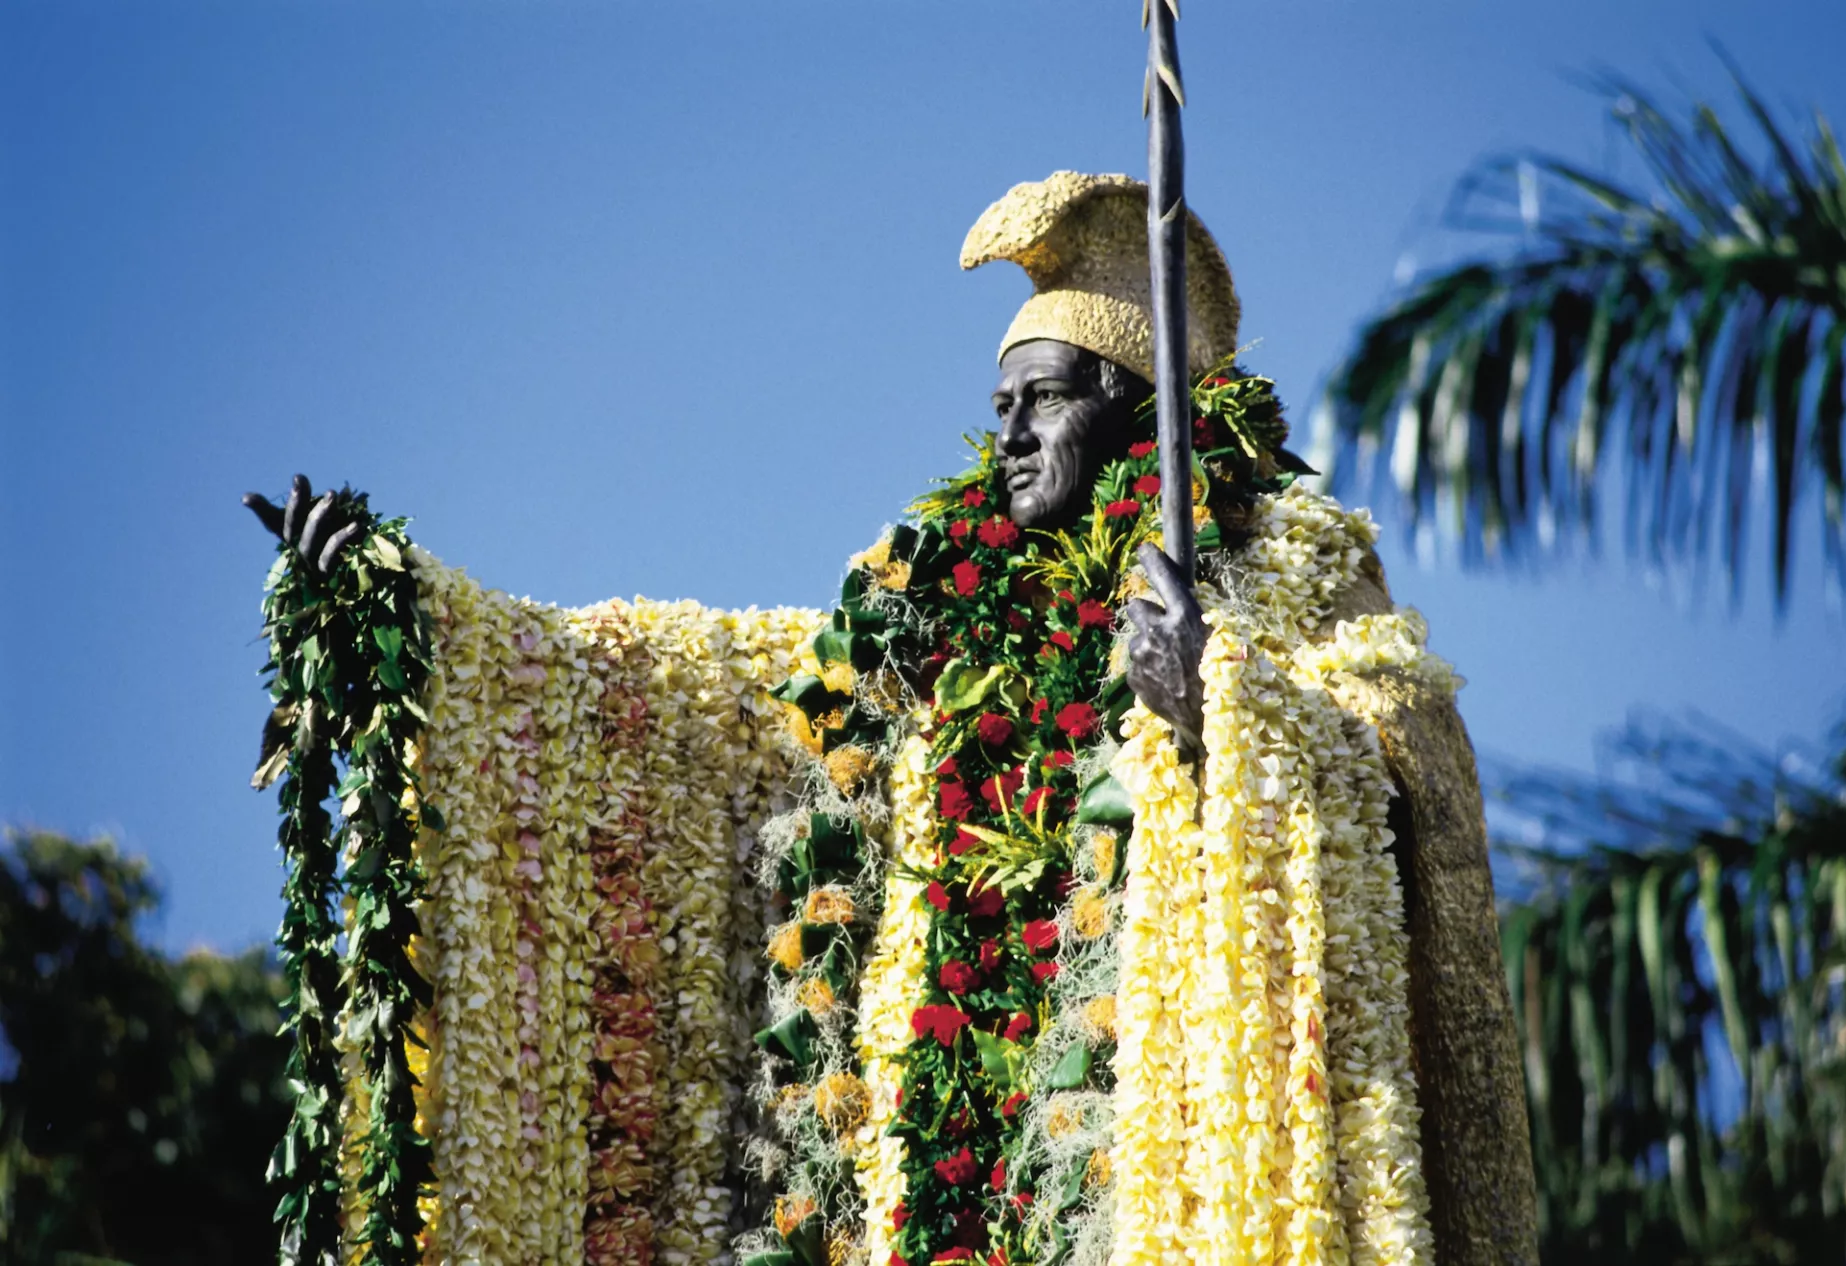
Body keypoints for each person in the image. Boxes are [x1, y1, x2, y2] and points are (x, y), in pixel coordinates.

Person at [243, 171, 1534, 1266]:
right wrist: (427, 616)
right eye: (1001, 406)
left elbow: (1405, 751)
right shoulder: (923, 612)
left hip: (1162, 1155)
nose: (1010, 434)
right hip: (930, 1189)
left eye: (1047, 399)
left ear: (1137, 409)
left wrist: (1227, 696)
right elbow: (704, 704)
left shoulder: (1269, 557)